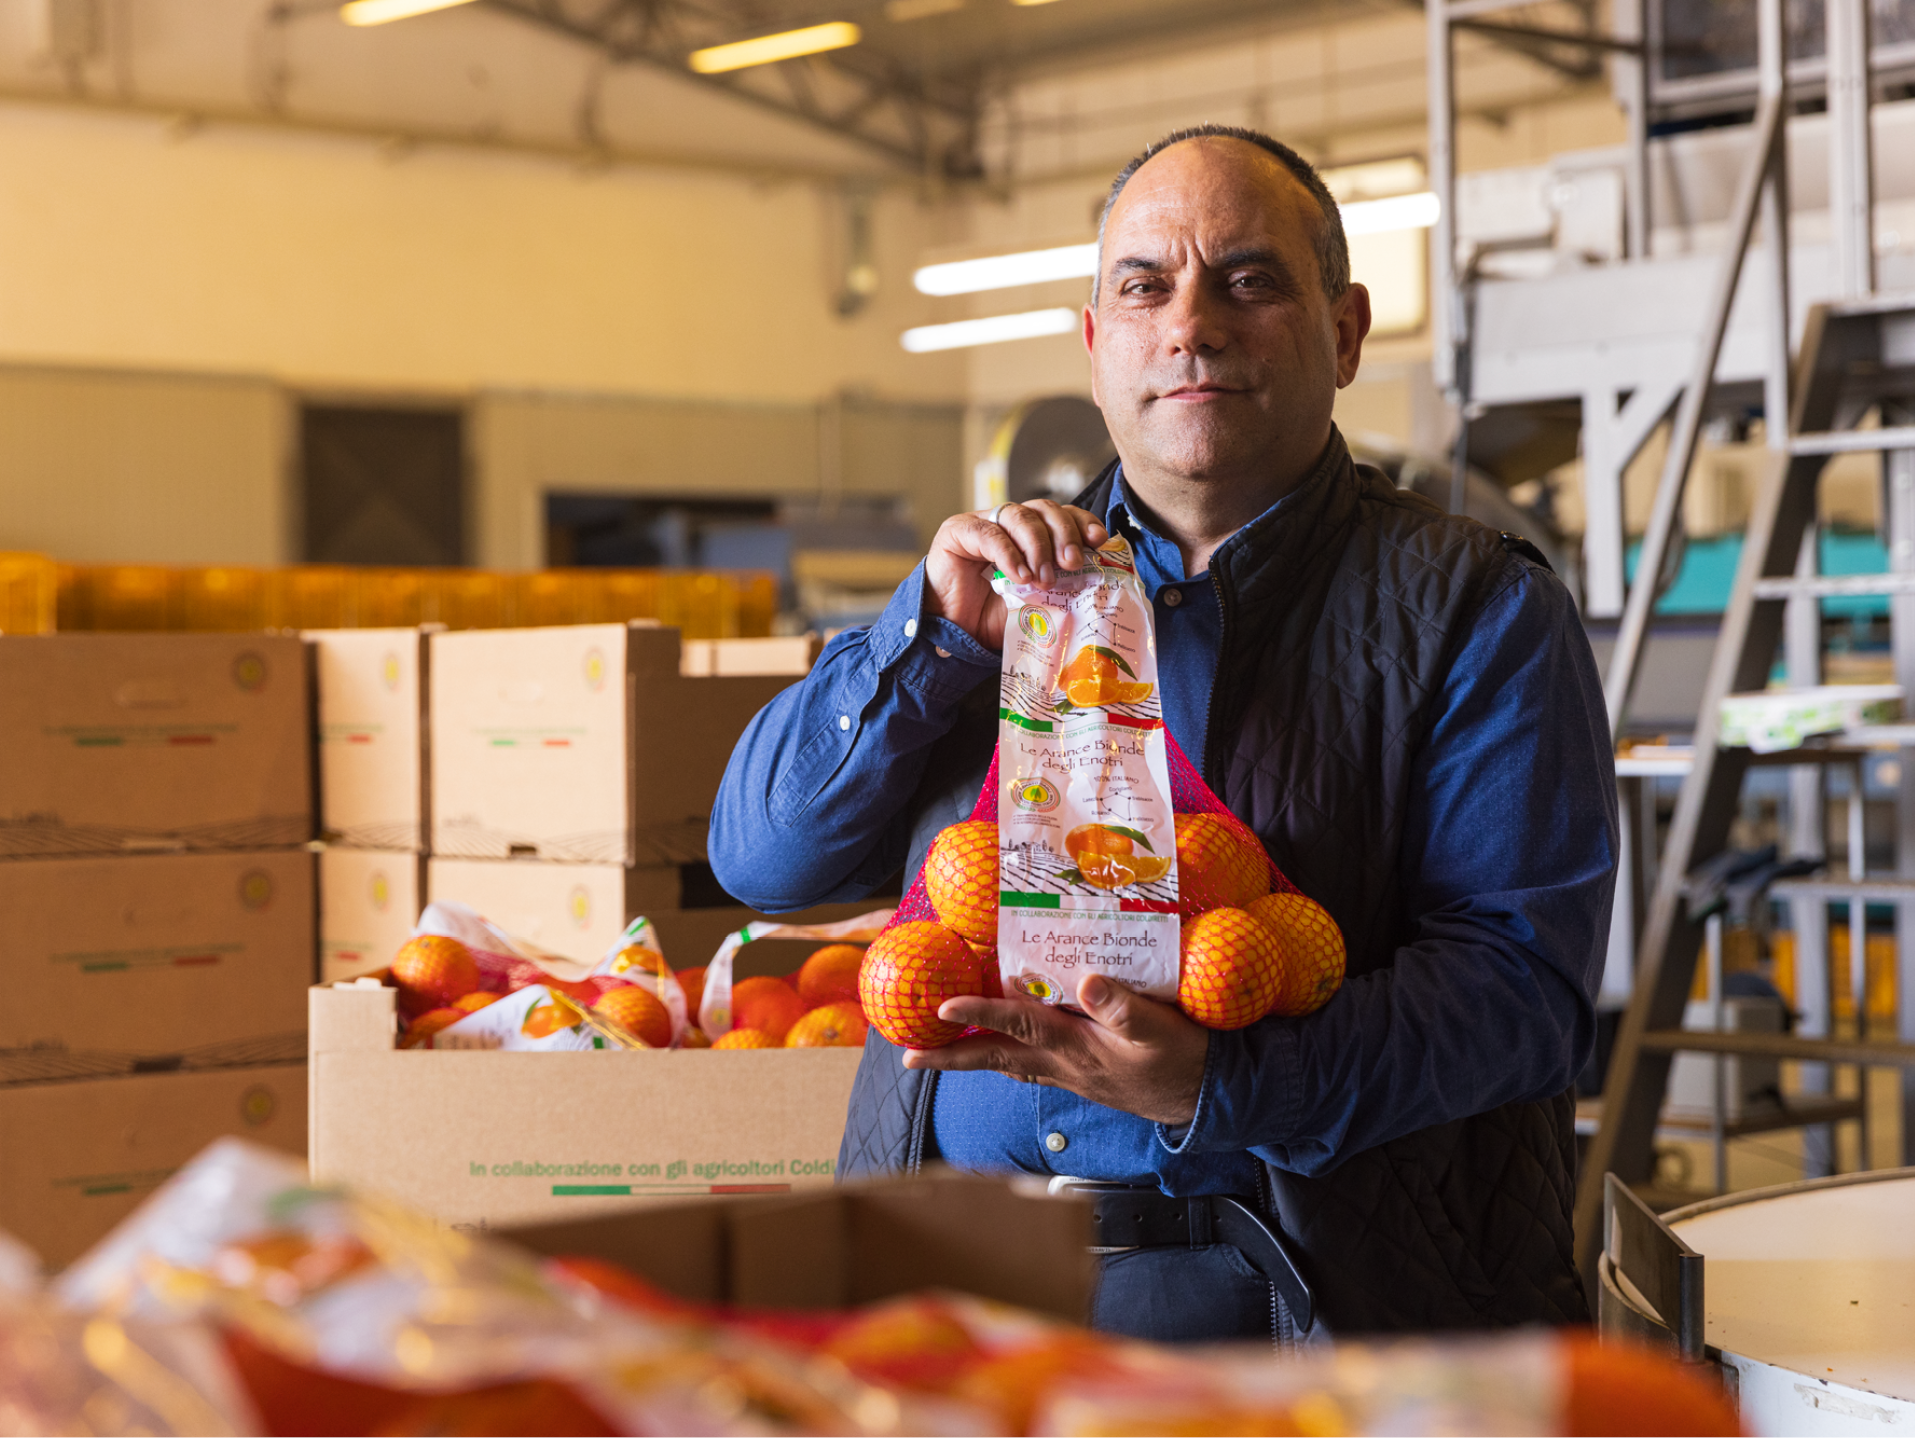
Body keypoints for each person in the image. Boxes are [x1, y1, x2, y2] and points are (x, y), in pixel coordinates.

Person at [710, 124, 1617, 1344]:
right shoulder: (989, 592)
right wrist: (930, 642)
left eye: (1248, 280)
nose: (1191, 324)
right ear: (1095, 348)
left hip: (1295, 1303)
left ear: (1343, 333)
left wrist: (1223, 1084)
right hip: (952, 1280)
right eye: (1144, 287)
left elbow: (1522, 993)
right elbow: (763, 861)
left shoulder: (1476, 607)